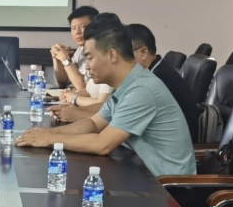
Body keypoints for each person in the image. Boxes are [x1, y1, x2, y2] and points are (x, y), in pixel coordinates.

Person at [17, 16, 196, 178]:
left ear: (112, 55)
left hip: (170, 188)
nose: (87, 66)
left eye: (90, 58)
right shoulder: (127, 85)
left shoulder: (142, 89)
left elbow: (103, 144)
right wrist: (47, 133)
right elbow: (94, 124)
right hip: (144, 174)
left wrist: (49, 140)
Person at [125, 23, 199, 136]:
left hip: (175, 143)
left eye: (125, 54)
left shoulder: (158, 79)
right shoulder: (157, 71)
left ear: (143, 53)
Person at [51, 5, 99, 92]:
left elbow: (83, 87)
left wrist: (65, 59)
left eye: (82, 27)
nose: (77, 32)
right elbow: (63, 82)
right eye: (73, 28)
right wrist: (57, 58)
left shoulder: (100, 50)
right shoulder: (80, 49)